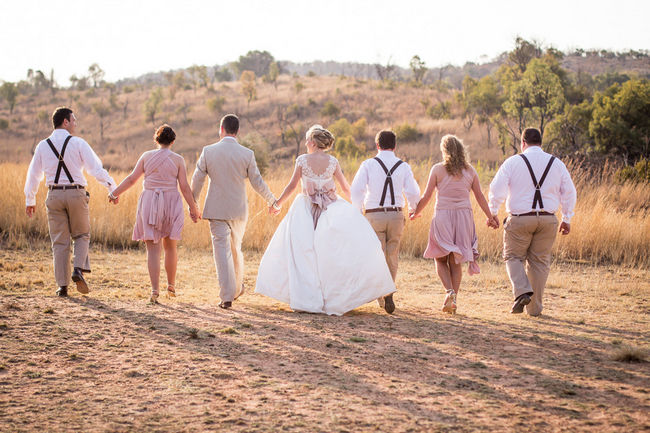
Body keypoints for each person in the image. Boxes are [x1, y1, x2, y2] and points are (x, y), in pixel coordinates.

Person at [255, 125, 396, 315]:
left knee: (304, 255)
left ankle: (306, 297)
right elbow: (347, 188)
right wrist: (356, 208)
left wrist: (277, 204)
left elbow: (291, 186)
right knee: (330, 254)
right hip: (331, 209)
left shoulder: (302, 161)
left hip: (305, 210)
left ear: (312, 142)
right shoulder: (332, 162)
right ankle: (332, 296)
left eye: (307, 140)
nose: (305, 143)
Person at [24, 107, 116, 297]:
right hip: (76, 194)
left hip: (54, 196)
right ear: (65, 122)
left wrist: (30, 199)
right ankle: (78, 270)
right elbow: (95, 169)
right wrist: (112, 188)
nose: (75, 123)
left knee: (59, 242)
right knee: (82, 235)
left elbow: (33, 175)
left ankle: (62, 287)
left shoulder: (42, 145)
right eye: (73, 120)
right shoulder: (78, 143)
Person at [191, 114, 277, 309]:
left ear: (221, 129)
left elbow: (197, 179)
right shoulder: (247, 153)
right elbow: (258, 183)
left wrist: (193, 204)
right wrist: (272, 200)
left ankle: (228, 296)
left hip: (217, 209)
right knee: (235, 250)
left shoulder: (208, 151)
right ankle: (236, 289)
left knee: (222, 252)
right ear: (237, 132)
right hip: (239, 210)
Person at [488, 127, 576, 316]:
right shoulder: (556, 163)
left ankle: (522, 291)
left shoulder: (512, 162)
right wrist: (566, 218)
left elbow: (497, 188)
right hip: (548, 220)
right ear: (541, 143)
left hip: (519, 220)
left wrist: (493, 212)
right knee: (539, 263)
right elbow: (569, 192)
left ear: (523, 143)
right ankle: (534, 309)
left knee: (512, 257)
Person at [109, 124, 200, 303]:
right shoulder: (178, 159)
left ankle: (155, 290)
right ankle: (171, 285)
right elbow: (184, 187)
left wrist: (114, 193)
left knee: (153, 248)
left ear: (156, 140)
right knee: (170, 246)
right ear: (173, 141)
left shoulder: (146, 156)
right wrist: (193, 208)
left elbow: (131, 179)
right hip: (171, 202)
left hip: (150, 201)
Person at [410, 135, 493, 314]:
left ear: (444, 150)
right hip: (464, 218)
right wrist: (491, 216)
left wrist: (415, 212)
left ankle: (449, 292)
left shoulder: (438, 169)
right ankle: (453, 298)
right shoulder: (470, 171)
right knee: (456, 262)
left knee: (439, 258)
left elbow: (427, 196)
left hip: (443, 217)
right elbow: (480, 197)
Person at [350, 130, 420, 314]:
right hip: (396, 214)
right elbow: (413, 192)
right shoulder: (403, 166)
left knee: (376, 255)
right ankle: (388, 291)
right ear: (395, 146)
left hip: (374, 214)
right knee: (392, 254)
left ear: (377, 145)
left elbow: (356, 190)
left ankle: (382, 293)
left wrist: (358, 210)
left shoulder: (368, 164)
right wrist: (413, 208)